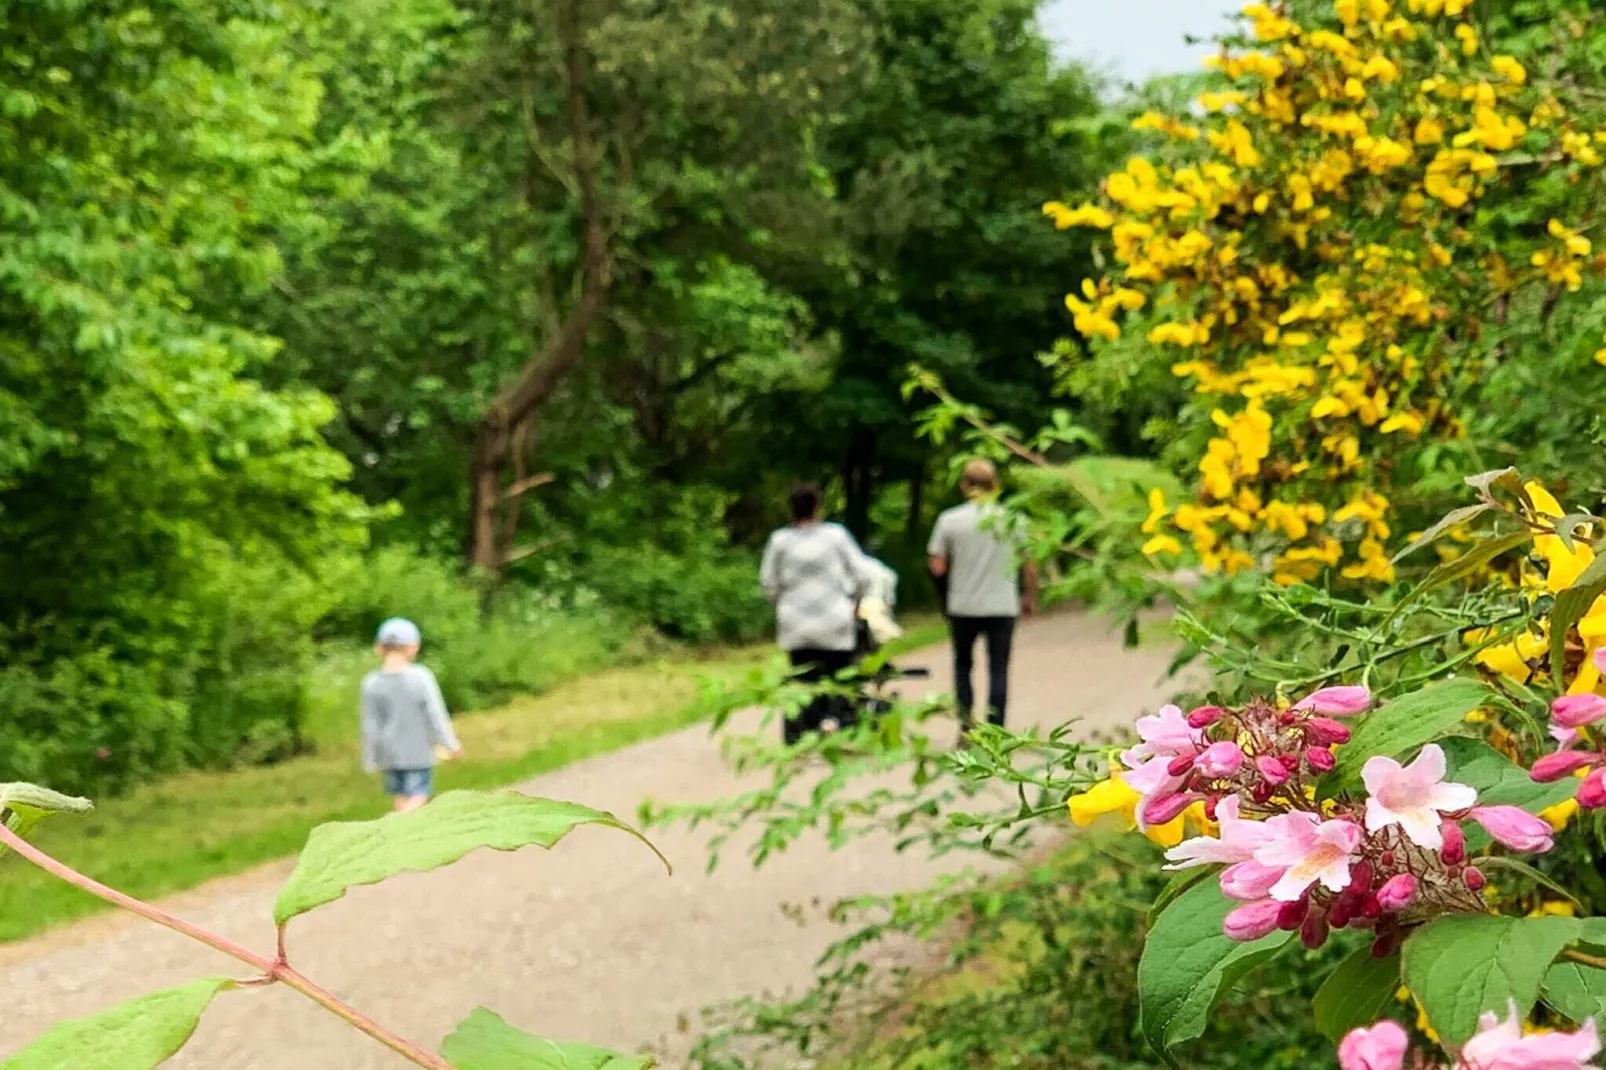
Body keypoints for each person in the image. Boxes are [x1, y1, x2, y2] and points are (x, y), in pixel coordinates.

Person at [760, 483, 877, 745]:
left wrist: (780, 606)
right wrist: (855, 602)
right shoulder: (835, 536)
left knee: (804, 679)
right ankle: (835, 720)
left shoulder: (780, 541)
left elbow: (768, 581)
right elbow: (863, 574)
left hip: (796, 621)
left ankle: (808, 730)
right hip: (835, 618)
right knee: (840, 674)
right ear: (818, 506)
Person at [927, 459, 1038, 730]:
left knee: (963, 668)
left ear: (965, 485)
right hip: (1002, 605)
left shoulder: (949, 520)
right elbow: (1030, 564)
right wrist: (1029, 597)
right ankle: (995, 730)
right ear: (995, 485)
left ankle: (966, 727)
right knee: (998, 669)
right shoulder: (1014, 520)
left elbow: (937, 565)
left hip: (962, 605)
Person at [360, 618, 463, 812]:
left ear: (379, 648)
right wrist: (451, 744)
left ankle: (398, 832)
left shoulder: (371, 682)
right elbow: (435, 715)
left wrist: (371, 758)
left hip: (389, 753)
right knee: (418, 794)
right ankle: (398, 831)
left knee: (400, 795)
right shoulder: (421, 677)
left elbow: (370, 724)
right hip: (418, 751)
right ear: (413, 647)